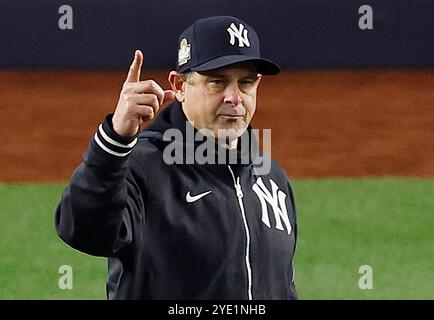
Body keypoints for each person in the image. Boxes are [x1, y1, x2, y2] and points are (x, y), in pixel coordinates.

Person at [55, 15, 297, 300]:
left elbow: (282, 286)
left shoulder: (271, 178)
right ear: (180, 86)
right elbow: (84, 231)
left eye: (245, 83)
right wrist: (115, 141)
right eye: (217, 82)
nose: (235, 97)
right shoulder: (142, 167)